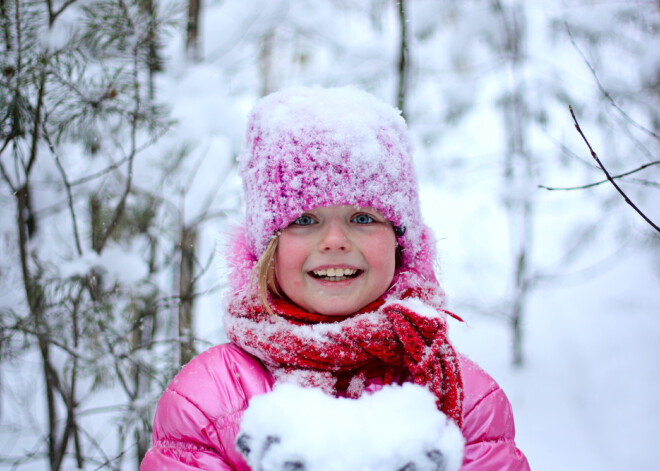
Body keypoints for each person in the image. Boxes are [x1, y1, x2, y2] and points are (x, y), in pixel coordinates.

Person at [140, 86, 530, 470]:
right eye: (304, 220)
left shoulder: (464, 395)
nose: (335, 241)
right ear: (266, 250)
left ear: (400, 243)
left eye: (362, 218)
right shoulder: (209, 397)